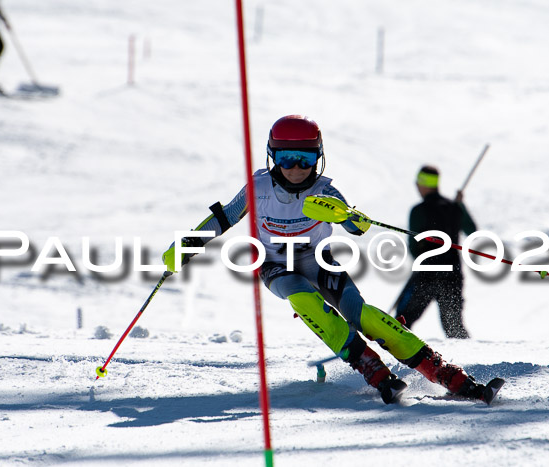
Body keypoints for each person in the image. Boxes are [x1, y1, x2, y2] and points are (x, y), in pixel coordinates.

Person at [162, 115, 498, 404]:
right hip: (275, 263)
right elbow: (227, 217)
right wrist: (187, 245)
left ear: (317, 159)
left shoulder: (325, 191)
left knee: (364, 315)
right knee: (304, 299)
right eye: (287, 158)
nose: (295, 168)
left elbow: (356, 226)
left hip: (318, 261)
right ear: (273, 157)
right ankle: (370, 367)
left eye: (305, 159)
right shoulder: (259, 186)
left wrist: (346, 214)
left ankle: (445, 373)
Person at [394, 165, 477, 339]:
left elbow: (413, 247)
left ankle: (399, 359)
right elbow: (472, 231)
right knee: (454, 327)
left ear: (422, 184)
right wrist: (460, 206)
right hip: (452, 275)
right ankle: (470, 361)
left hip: (427, 275)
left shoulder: (418, 211)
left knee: (402, 320)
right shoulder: (453, 208)